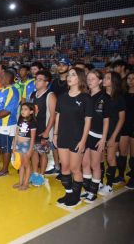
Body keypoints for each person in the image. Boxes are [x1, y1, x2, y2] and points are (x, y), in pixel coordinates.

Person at [53, 67, 92, 207]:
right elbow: (58, 116)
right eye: (69, 75)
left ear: (79, 79)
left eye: (73, 75)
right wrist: (56, 134)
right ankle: (69, 193)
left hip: (77, 138)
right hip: (63, 136)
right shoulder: (62, 97)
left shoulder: (85, 98)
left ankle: (76, 196)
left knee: (75, 169)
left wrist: (83, 141)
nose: (69, 77)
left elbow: (88, 121)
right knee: (65, 168)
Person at [81, 70, 110, 203]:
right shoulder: (86, 97)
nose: (90, 81)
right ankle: (87, 189)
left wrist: (103, 138)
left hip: (97, 135)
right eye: (88, 78)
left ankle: (93, 191)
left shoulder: (105, 97)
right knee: (85, 163)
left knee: (95, 164)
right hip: (85, 134)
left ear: (100, 81)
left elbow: (106, 120)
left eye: (93, 78)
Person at [28, 70, 57, 186]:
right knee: (34, 151)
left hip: (44, 129)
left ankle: (42, 175)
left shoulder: (50, 95)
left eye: (40, 80)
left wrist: (46, 131)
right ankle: (35, 173)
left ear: (46, 82)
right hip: (34, 129)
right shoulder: (33, 95)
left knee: (42, 153)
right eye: (36, 79)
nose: (36, 81)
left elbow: (53, 115)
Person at [99, 72, 125, 195]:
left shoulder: (119, 97)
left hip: (113, 132)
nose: (104, 79)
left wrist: (114, 136)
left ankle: (109, 185)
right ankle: (99, 181)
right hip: (101, 131)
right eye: (104, 77)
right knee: (100, 157)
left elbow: (121, 118)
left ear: (114, 81)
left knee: (110, 158)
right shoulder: (101, 95)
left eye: (108, 78)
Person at [12, 103, 37, 190]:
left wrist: (30, 149)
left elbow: (33, 137)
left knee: (27, 164)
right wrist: (14, 146)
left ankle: (26, 183)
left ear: (31, 111)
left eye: (25, 109)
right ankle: (20, 182)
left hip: (27, 145)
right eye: (22, 109)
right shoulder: (20, 120)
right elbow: (16, 133)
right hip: (19, 144)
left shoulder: (32, 122)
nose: (22, 111)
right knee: (21, 165)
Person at [124, 72, 134, 190]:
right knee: (123, 152)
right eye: (129, 78)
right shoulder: (124, 95)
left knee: (133, 153)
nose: (131, 80)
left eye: (133, 78)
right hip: (125, 126)